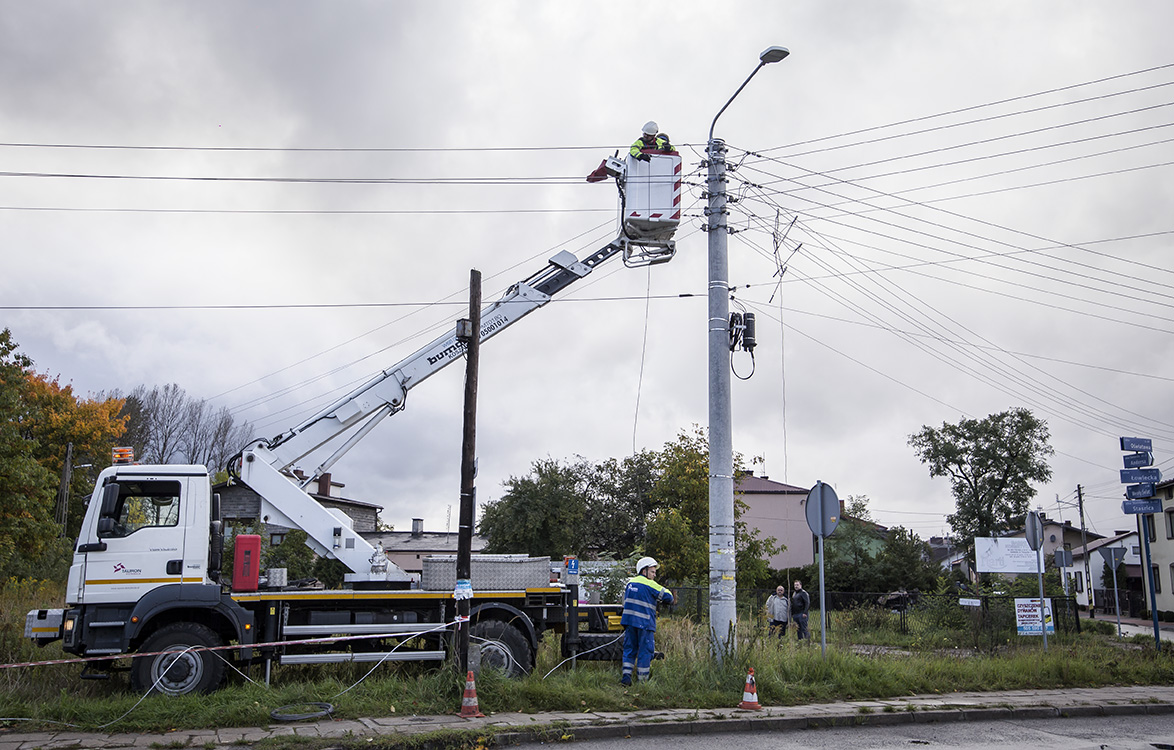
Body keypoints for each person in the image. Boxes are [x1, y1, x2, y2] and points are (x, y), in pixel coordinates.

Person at [619, 556, 675, 685]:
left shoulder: (630, 583)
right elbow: (669, 597)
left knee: (629, 649)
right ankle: (642, 681)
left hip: (629, 623)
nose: (654, 575)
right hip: (644, 624)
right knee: (645, 651)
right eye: (652, 572)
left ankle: (626, 677)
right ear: (644, 571)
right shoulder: (650, 584)